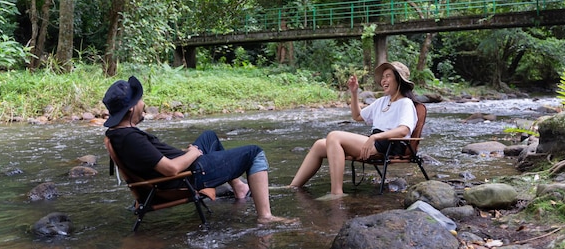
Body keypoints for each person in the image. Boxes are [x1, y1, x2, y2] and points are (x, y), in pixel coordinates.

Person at [102, 76, 293, 225]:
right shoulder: (130, 139)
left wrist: (188, 152)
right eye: (139, 100)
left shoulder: (119, 134)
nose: (143, 103)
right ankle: (265, 217)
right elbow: (170, 170)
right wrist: (193, 154)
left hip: (187, 169)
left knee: (209, 136)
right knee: (255, 152)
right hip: (189, 175)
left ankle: (240, 188)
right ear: (130, 110)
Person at [289, 61, 419, 199]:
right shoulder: (383, 101)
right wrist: (354, 93)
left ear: (399, 80)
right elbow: (357, 116)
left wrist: (374, 137)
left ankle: (336, 193)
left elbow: (404, 130)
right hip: (376, 141)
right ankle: (293, 186)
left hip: (389, 144)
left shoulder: (405, 103)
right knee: (320, 145)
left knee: (334, 136)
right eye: (383, 77)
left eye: (388, 76)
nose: (383, 80)